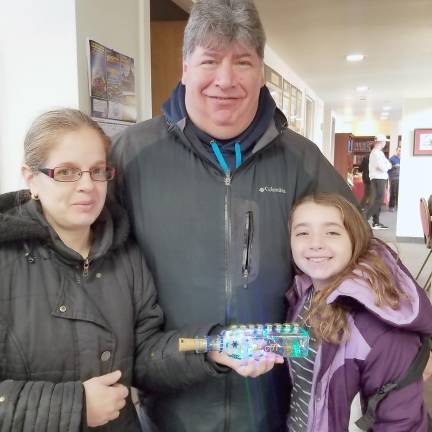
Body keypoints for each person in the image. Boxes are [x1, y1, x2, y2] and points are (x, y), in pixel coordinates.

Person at [112, 0, 354, 430]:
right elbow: (85, 256)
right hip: (167, 403)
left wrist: (407, 346)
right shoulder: (132, 154)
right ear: (185, 66)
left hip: (273, 402)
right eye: (209, 60)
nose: (225, 80)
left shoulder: (302, 160)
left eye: (242, 61)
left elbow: (361, 257)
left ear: (260, 71)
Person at [0, 108, 282, 431]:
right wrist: (75, 406)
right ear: (30, 178)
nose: (87, 186)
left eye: (97, 171)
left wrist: (212, 347)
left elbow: (146, 354)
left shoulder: (124, 254)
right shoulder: (6, 263)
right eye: (66, 172)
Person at [287, 193, 432, 431]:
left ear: (355, 239)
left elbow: (401, 423)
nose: (315, 243)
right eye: (303, 232)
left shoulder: (381, 330)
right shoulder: (303, 292)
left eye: (332, 232)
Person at [365, 135, 392, 230]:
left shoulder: (378, 153)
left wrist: (387, 165)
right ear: (381, 142)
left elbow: (388, 164)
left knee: (377, 200)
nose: (385, 143)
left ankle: (376, 222)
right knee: (378, 200)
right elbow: (384, 167)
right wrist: (387, 166)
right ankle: (363, 220)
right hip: (378, 179)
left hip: (378, 178)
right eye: (384, 142)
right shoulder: (376, 153)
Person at [388, 146, 401, 211]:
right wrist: (394, 166)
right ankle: (391, 206)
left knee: (399, 193)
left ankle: (398, 206)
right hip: (394, 178)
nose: (400, 152)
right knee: (393, 192)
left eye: (401, 150)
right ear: (396, 151)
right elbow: (387, 168)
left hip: (401, 178)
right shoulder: (392, 159)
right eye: (399, 150)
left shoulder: (403, 158)